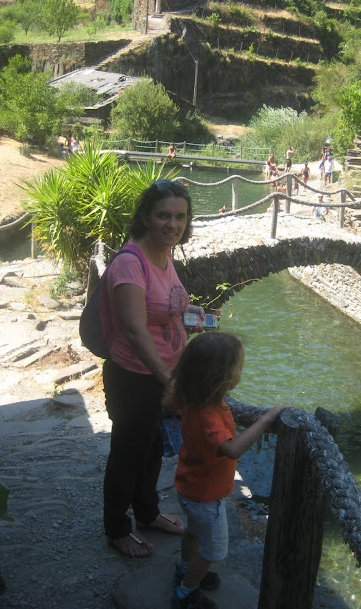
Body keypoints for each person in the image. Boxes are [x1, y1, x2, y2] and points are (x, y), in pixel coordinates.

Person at [103, 180, 205, 558]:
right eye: (163, 215)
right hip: (136, 378)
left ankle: (147, 513)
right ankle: (117, 529)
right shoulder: (131, 263)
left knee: (153, 450)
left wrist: (190, 313)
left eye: (180, 216)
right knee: (128, 454)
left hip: (163, 376)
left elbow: (162, 306)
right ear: (145, 217)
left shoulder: (165, 253)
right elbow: (134, 329)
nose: (172, 224)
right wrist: (168, 383)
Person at [171, 332, 293, 609]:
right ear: (223, 377)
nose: (241, 372)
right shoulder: (208, 416)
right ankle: (185, 592)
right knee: (213, 550)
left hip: (189, 487)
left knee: (193, 532)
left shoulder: (198, 401)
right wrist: (266, 418)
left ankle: (185, 568)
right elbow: (233, 449)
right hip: (206, 498)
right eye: (239, 367)